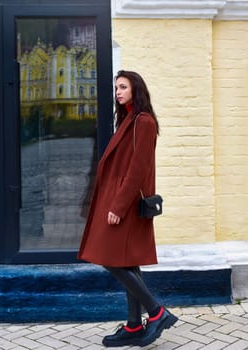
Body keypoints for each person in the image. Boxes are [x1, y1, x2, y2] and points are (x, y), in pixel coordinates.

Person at [78, 70, 178, 347]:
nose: (118, 92)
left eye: (123, 87)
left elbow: (138, 169)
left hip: (128, 203)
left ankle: (156, 312)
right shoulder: (129, 119)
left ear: (136, 89)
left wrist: (119, 206)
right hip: (118, 199)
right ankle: (134, 326)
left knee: (111, 258)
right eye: (117, 88)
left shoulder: (143, 122)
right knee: (126, 262)